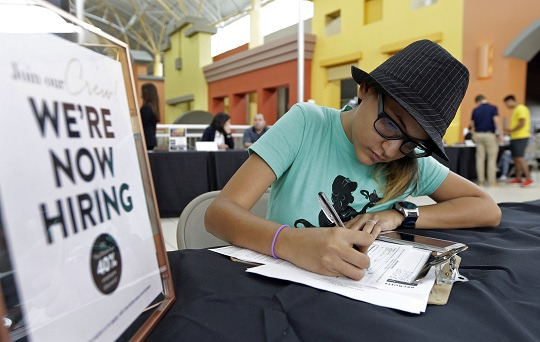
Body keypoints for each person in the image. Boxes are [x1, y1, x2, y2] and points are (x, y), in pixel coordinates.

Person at [205, 40, 501, 281]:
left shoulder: (409, 161)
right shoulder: (307, 125)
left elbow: (486, 208)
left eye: (411, 142)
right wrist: (290, 242)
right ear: (365, 90)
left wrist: (400, 216)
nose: (390, 150)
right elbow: (219, 214)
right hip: (283, 284)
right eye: (390, 125)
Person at [469, 95, 502, 186]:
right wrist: (501, 135)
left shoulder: (475, 110)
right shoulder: (493, 108)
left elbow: (472, 124)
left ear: (478, 101)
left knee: (480, 158)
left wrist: (473, 134)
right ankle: (492, 181)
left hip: (478, 135)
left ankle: (481, 181)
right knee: (491, 159)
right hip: (489, 135)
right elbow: (497, 121)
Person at [503, 95, 532, 187]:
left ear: (511, 100)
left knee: (520, 157)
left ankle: (528, 178)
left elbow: (522, 123)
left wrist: (510, 130)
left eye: (506, 103)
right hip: (515, 137)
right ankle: (518, 177)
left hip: (521, 137)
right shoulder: (516, 110)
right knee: (516, 158)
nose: (506, 105)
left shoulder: (521, 108)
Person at [140, 83, 160, 150]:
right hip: (151, 140)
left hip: (145, 140)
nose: (141, 95)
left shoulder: (146, 108)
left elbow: (141, 123)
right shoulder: (153, 107)